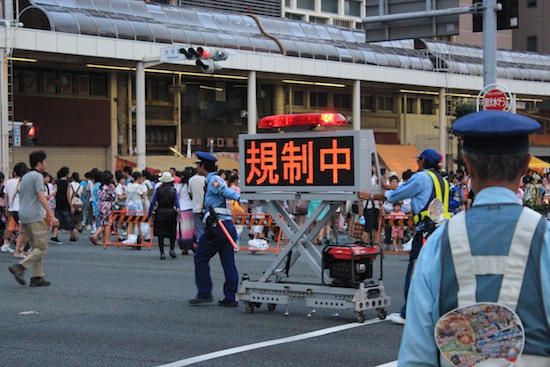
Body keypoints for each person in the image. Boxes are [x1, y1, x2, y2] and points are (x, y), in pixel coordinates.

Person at [397, 110, 550, 366]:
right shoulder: (544, 238)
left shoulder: (439, 244)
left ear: (467, 165)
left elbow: (417, 357)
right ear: (525, 166)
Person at [358, 148, 451, 325]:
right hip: (443, 229)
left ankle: (408, 312)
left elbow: (396, 195)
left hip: (427, 230)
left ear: (423, 161)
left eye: (419, 160)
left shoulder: (421, 177)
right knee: (437, 272)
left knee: (415, 271)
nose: (417, 163)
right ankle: (436, 311)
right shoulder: (442, 180)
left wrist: (370, 195)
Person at [189, 152, 240, 307]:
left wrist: (239, 197)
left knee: (200, 257)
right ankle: (230, 296)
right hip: (226, 226)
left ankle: (205, 292)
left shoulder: (214, 181)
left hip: (218, 226)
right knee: (228, 262)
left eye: (198, 164)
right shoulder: (212, 180)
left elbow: (225, 192)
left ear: (202, 165)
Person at [9, 151, 60, 287]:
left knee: (36, 246)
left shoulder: (25, 176)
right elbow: (41, 196)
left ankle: (37, 276)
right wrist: (51, 215)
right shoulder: (37, 176)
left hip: (23, 213)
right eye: (45, 161)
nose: (46, 164)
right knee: (42, 247)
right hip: (34, 215)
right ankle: (20, 267)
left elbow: (19, 193)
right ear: (39, 163)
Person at [148, 172, 180, 260]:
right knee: (172, 232)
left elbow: (152, 203)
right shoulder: (173, 190)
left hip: (160, 211)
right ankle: (172, 249)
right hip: (171, 212)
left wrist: (149, 214)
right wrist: (179, 215)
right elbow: (177, 203)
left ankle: (162, 253)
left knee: (160, 233)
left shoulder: (158, 190)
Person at [51, 167, 79, 243]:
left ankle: (54, 236)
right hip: (65, 204)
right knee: (69, 220)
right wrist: (71, 206)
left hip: (58, 204)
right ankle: (72, 236)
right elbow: (68, 196)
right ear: (67, 174)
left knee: (58, 220)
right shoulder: (67, 183)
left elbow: (54, 193)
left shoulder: (56, 182)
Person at [188, 167, 206, 245]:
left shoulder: (191, 180)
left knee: (198, 227)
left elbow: (190, 193)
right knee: (206, 226)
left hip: (195, 206)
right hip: (206, 207)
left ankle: (200, 242)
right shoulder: (205, 179)